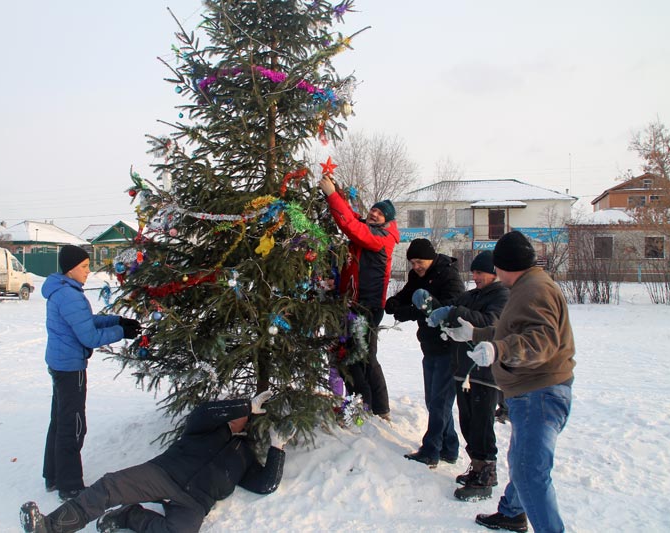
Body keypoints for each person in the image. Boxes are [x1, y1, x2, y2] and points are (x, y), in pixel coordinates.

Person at [443, 231, 575, 533]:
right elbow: (510, 329)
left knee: (529, 472)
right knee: (523, 460)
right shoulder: (527, 285)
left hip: (539, 392)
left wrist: (499, 350)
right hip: (532, 392)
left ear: (505, 265)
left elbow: (542, 340)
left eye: (495, 266)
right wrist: (474, 335)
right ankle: (513, 513)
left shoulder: (534, 291)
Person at [20, 391, 291, 533]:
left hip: (194, 503)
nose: (241, 417)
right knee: (110, 486)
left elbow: (265, 485)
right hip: (163, 473)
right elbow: (203, 411)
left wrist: (277, 448)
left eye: (246, 417)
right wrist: (245, 405)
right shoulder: (206, 426)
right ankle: (51, 527)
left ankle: (128, 516)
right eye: (239, 413)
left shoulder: (245, 457)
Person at [41, 245, 141, 501]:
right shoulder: (69, 295)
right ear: (70, 268)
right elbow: (89, 336)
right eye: (84, 267)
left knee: (60, 420)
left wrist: (116, 321)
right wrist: (123, 332)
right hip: (70, 368)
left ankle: (53, 476)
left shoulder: (62, 290)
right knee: (73, 425)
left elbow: (85, 321)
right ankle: (71, 485)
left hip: (60, 364)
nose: (88, 271)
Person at [426, 250, 509, 501]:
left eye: (480, 272)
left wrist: (453, 313)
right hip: (463, 369)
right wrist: (432, 306)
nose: (476, 276)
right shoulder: (473, 295)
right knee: (468, 422)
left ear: (494, 274)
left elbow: (490, 321)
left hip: (486, 371)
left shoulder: (502, 295)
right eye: (473, 272)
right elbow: (452, 308)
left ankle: (486, 475)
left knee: (482, 424)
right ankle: (476, 466)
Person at [319, 173, 399, 419]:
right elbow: (354, 218)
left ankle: (379, 407)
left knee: (366, 358)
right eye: (373, 210)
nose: (373, 214)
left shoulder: (381, 238)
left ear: (387, 221)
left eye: (379, 214)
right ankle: (362, 403)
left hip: (368, 307)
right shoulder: (371, 228)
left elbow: (351, 226)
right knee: (352, 357)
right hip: (353, 304)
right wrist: (336, 192)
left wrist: (332, 195)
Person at [384, 238, 465, 467]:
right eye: (412, 262)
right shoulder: (417, 276)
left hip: (449, 346)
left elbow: (452, 307)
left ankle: (431, 450)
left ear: (431, 257)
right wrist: (394, 302)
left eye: (419, 261)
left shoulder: (448, 275)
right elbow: (408, 294)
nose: (415, 266)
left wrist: (411, 312)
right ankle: (449, 447)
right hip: (430, 345)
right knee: (434, 400)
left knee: (440, 401)